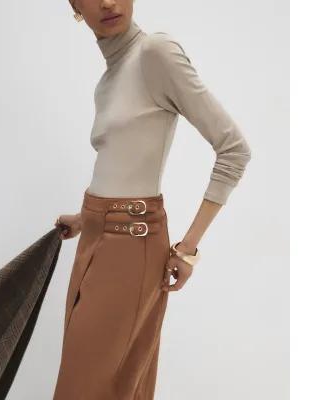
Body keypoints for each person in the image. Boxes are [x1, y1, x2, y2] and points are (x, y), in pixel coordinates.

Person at [53, 1, 252, 399]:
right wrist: (86, 218)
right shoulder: (107, 81)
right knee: (103, 384)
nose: (108, 2)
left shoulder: (155, 53)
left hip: (132, 245)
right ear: (74, 5)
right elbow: (122, 163)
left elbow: (234, 150)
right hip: (94, 240)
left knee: (85, 388)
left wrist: (188, 248)